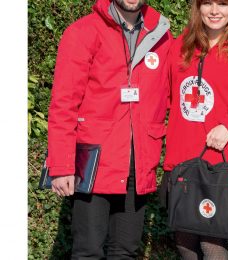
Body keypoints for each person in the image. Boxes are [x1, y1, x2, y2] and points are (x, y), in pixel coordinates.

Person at [46, 0, 172, 258]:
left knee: (125, 251)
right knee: (88, 252)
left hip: (138, 164)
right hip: (95, 164)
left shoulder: (161, 34)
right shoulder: (82, 32)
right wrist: (61, 166)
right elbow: (63, 103)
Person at [161, 0, 228, 259]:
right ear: (197, 7)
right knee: (184, 242)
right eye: (208, 3)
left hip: (219, 163)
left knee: (212, 245)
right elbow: (161, 96)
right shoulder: (178, 47)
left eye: (223, 4)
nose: (215, 11)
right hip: (181, 160)